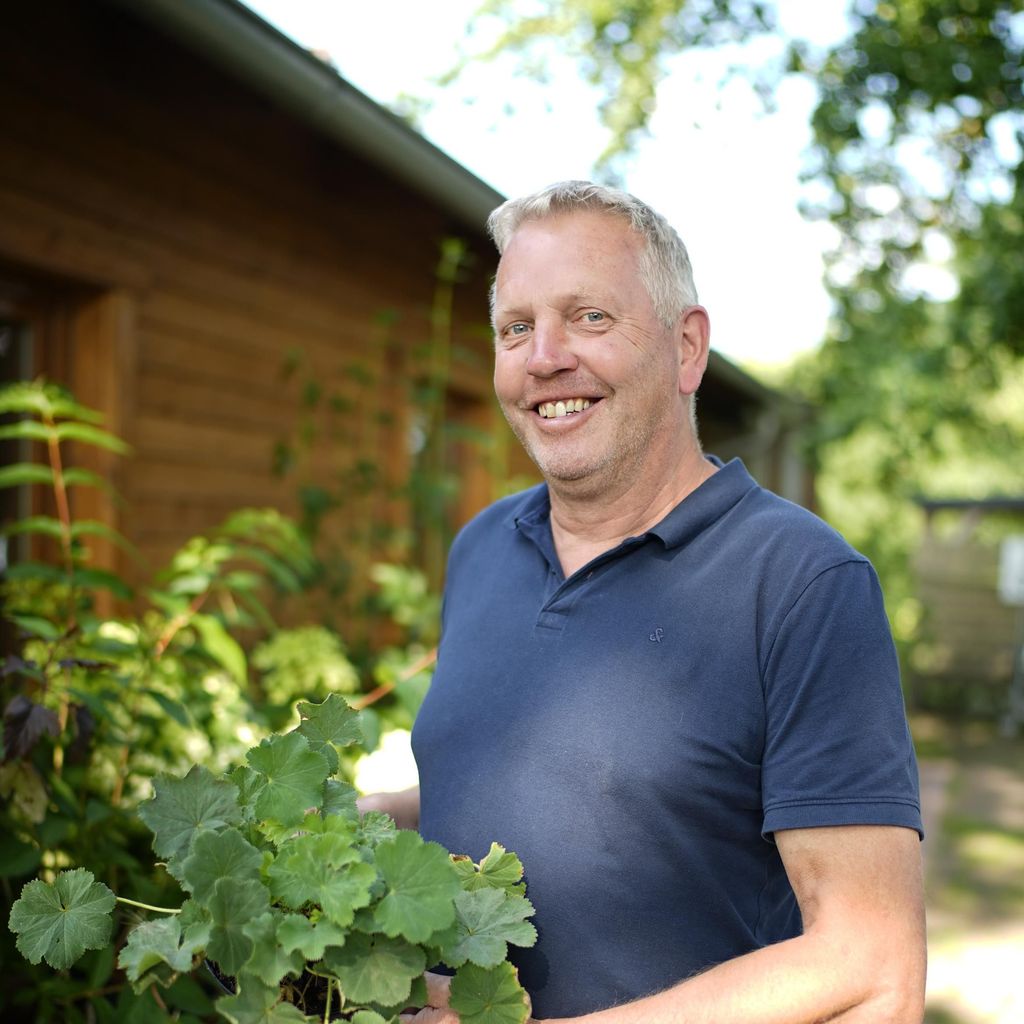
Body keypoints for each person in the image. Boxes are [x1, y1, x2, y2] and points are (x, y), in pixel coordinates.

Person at [364, 180, 926, 1023]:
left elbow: (869, 965)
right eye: (516, 328)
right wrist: (370, 821)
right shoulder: (482, 548)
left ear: (687, 348)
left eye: (589, 317)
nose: (544, 356)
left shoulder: (801, 584)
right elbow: (569, 792)